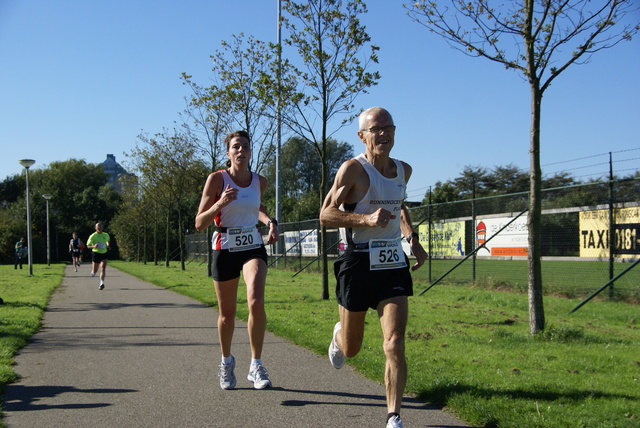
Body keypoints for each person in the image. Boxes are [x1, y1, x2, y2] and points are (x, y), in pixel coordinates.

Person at [319, 107, 429, 428]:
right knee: (351, 350)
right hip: (357, 261)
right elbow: (326, 215)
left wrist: (412, 239)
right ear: (362, 135)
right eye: (376, 129)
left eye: (388, 128)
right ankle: (339, 335)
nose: (384, 134)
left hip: (392, 261)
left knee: (394, 342)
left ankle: (393, 416)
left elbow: (400, 203)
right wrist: (365, 218)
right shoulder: (352, 170)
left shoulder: (404, 170)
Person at [195, 130, 279, 391]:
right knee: (227, 316)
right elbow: (199, 223)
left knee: (255, 300)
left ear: (250, 151)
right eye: (236, 147)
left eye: (245, 146)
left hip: (252, 245)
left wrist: (270, 222)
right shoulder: (216, 179)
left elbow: (257, 209)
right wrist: (219, 204)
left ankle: (256, 365)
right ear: (228, 153)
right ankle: (226, 362)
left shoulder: (259, 181)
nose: (241, 151)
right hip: (225, 247)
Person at [86, 223, 110, 290]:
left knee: (103, 267)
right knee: (95, 270)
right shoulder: (93, 236)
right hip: (96, 253)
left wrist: (107, 245)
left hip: (104, 253)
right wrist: (94, 246)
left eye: (100, 227)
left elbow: (107, 241)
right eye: (98, 227)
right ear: (95, 228)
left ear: (102, 227)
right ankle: (93, 272)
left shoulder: (106, 235)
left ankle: (101, 283)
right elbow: (88, 246)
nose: (99, 228)